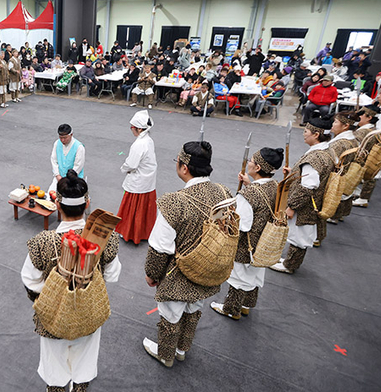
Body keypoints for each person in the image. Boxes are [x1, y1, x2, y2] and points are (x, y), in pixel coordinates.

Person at [22, 170, 121, 392]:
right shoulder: (108, 239)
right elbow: (112, 276)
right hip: (88, 315)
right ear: (87, 204)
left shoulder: (42, 242)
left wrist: (48, 298)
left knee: (55, 369)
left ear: (57, 204)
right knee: (84, 364)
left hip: (52, 320)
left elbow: (29, 281)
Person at [143, 141, 232, 366]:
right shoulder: (224, 192)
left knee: (171, 315)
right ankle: (182, 349)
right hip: (209, 268)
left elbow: (160, 247)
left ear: (184, 167)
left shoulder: (175, 202)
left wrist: (152, 274)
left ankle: (166, 354)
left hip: (179, 273)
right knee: (194, 308)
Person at [210, 147, 283, 320]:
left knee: (238, 277)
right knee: (254, 274)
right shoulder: (274, 185)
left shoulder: (249, 194)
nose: (248, 163)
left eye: (251, 160)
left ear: (257, 167)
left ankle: (231, 309)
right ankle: (246, 305)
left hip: (247, 244)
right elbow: (262, 199)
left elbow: (241, 225)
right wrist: (249, 183)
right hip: (263, 241)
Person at [270, 117, 334, 274]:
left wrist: (292, 206)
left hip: (306, 205)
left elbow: (307, 186)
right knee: (299, 235)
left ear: (316, 134)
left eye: (306, 131)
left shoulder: (315, 158)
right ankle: (288, 261)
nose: (304, 134)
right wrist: (294, 172)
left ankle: (289, 265)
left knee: (299, 237)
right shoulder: (326, 151)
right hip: (313, 201)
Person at [115, 111, 157, 245]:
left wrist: (123, 168)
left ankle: (129, 232)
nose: (131, 130)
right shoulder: (148, 140)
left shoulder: (139, 144)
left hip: (138, 179)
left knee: (132, 208)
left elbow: (131, 164)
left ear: (139, 129)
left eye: (132, 127)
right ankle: (144, 232)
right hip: (148, 179)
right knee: (145, 209)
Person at [324, 111, 360, 228]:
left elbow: (328, 163)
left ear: (345, 126)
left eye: (335, 122)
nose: (333, 124)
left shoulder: (339, 144)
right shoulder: (353, 140)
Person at [351, 105, 380, 208]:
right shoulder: (374, 129)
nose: (358, 118)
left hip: (358, 164)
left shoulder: (363, 132)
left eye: (361, 115)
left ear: (369, 117)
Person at [49, 124, 86, 193]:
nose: (62, 140)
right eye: (60, 137)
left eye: (65, 138)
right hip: (59, 178)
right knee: (50, 195)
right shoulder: (57, 143)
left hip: (74, 180)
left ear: (71, 135)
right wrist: (57, 175)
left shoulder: (79, 147)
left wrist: (67, 180)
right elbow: (54, 160)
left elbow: (78, 166)